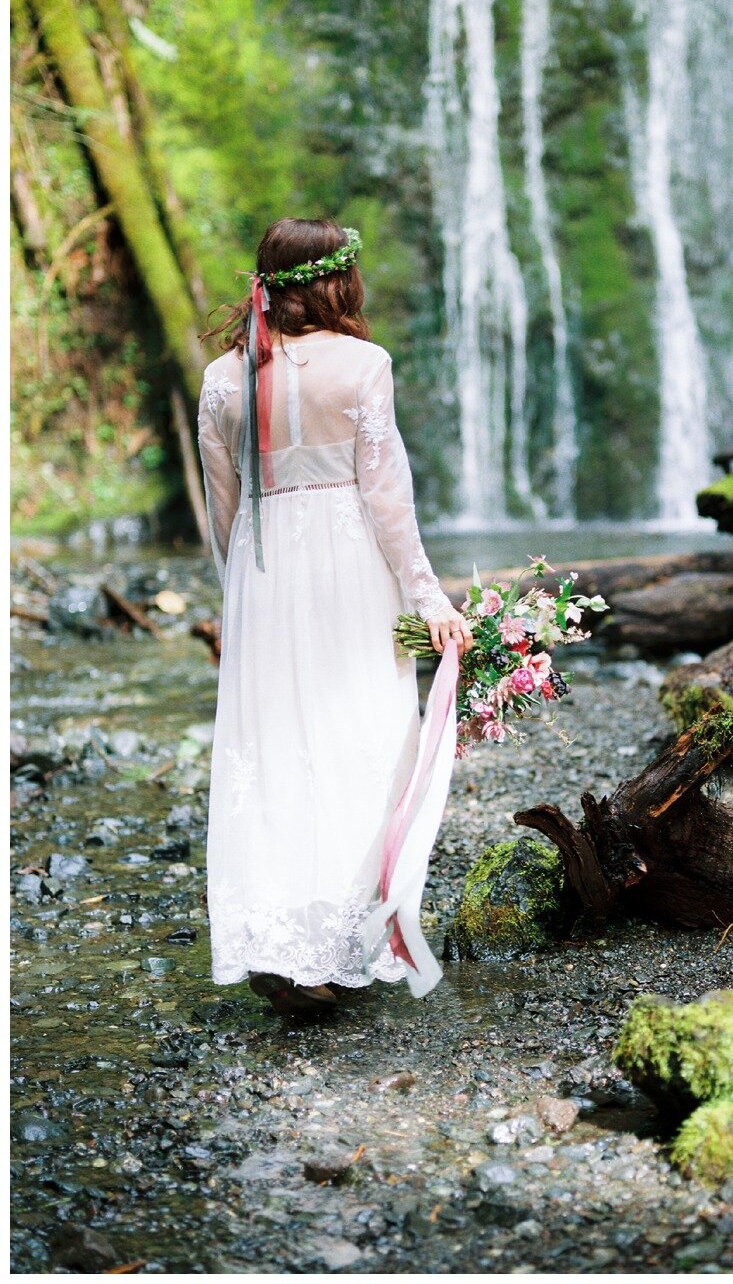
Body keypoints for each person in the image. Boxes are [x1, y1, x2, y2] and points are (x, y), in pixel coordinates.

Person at [196, 218, 471, 1014]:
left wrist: (241, 599)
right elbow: (388, 500)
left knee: (271, 742)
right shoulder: (364, 365)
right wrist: (431, 599)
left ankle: (274, 943)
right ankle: (336, 940)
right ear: (337, 282)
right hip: (349, 564)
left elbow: (224, 508)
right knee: (361, 734)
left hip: (263, 568)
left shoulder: (223, 378)